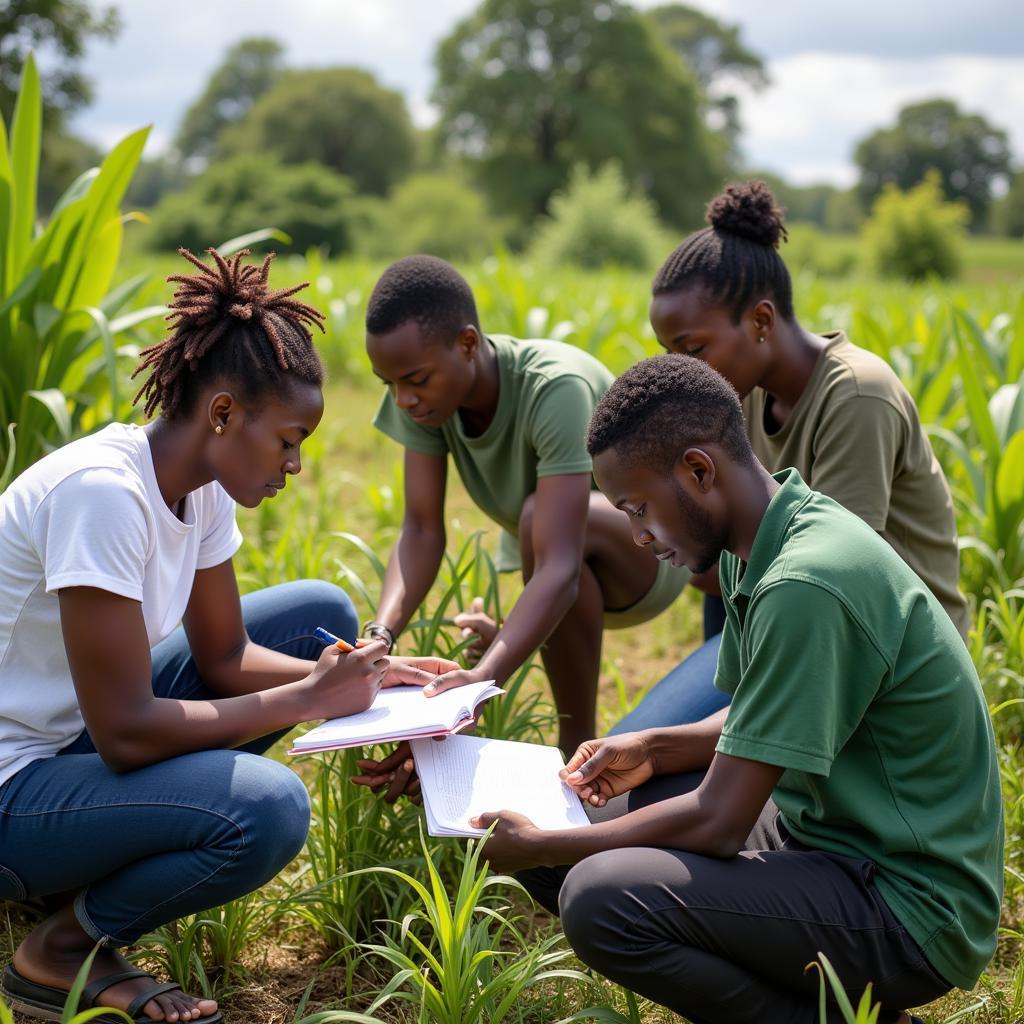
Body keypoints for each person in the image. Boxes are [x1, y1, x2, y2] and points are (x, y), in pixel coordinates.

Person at [470, 354, 1003, 1024]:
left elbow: (719, 822)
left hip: (907, 902)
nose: (636, 534)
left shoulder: (806, 581)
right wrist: (654, 747)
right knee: (571, 820)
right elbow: (763, 715)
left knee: (598, 897)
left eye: (639, 508)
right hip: (820, 833)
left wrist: (543, 846)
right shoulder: (757, 541)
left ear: (698, 470)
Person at [0, 248, 455, 1024]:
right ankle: (63, 948)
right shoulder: (102, 497)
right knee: (269, 810)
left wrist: (372, 683)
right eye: (286, 440)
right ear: (220, 413)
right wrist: (311, 699)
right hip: (16, 790)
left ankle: (89, 865)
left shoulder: (198, 488)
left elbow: (225, 656)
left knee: (320, 612)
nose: (296, 464)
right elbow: (125, 735)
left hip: (72, 746)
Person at [611, 180, 971, 734]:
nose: (684, 369)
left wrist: (687, 538)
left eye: (693, 348)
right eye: (669, 353)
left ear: (759, 322)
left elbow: (835, 583)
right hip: (781, 609)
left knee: (638, 747)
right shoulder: (736, 395)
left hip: (881, 648)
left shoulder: (856, 393)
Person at [358, 255, 686, 756]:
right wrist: (379, 635)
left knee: (538, 516)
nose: (403, 399)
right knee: (540, 523)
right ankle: (575, 746)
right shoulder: (428, 402)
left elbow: (558, 565)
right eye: (390, 385)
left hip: (652, 550)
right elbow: (421, 529)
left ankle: (573, 742)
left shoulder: (555, 388)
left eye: (416, 380)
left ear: (467, 344)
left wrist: (485, 675)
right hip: (562, 563)